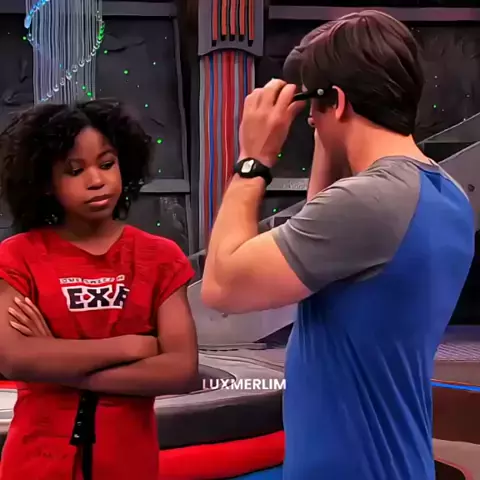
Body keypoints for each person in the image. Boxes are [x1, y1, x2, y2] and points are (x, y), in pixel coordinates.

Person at [201, 10, 475, 480]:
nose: (310, 118)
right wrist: (328, 134)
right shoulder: (444, 193)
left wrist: (252, 161)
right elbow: (324, 239)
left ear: (339, 101)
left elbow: (222, 287)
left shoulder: (373, 202)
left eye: (314, 106)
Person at [0, 99, 199, 480]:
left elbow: (179, 369)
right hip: (35, 462)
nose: (96, 180)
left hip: (129, 464)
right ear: (45, 182)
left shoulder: (160, 257)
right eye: (75, 170)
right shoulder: (17, 256)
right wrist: (132, 347)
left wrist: (58, 362)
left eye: (107, 164)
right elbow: (15, 358)